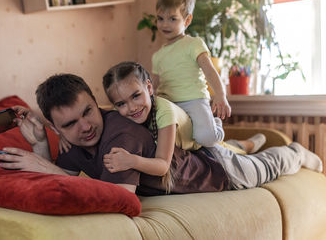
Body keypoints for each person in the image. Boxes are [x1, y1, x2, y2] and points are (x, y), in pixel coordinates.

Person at [0, 73, 323, 196]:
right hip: (197, 155)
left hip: (219, 173)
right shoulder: (72, 140)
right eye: (69, 124)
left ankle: (295, 151)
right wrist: (40, 144)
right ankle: (240, 144)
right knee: (229, 149)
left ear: (98, 104)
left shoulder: (119, 132)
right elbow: (62, 178)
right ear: (56, 128)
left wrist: (44, 165)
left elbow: (120, 197)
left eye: (88, 112)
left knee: (266, 167)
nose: (85, 126)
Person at [101, 61, 265, 192]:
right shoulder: (121, 115)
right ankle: (243, 143)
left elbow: (163, 166)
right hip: (185, 141)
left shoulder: (164, 113)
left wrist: (131, 161)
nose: (131, 107)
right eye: (121, 104)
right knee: (233, 146)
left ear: (149, 88)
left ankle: (246, 142)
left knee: (234, 150)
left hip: (202, 147)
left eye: (136, 96)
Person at [152, 0, 230, 147]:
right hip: (169, 103)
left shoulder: (193, 44)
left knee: (206, 139)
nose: (165, 24)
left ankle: (216, 126)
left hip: (194, 100)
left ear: (187, 21)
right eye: (160, 19)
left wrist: (220, 95)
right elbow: (153, 85)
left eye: (172, 19)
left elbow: (210, 71)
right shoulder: (157, 56)